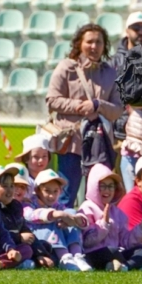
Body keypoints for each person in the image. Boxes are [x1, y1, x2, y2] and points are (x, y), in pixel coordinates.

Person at [46, 23, 123, 208]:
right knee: (66, 194)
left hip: (100, 145)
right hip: (70, 144)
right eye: (89, 42)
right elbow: (52, 100)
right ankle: (62, 233)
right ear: (80, 43)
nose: (94, 46)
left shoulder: (110, 73)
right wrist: (80, 107)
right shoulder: (66, 68)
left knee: (99, 195)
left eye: (99, 42)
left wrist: (98, 105)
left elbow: (118, 109)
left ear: (104, 46)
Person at [78, 163, 142, 272]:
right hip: (94, 253)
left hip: (117, 252)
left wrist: (141, 227)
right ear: (93, 187)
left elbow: (125, 242)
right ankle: (124, 264)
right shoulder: (87, 208)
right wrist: (104, 223)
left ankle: (125, 266)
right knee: (112, 251)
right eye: (102, 186)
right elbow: (87, 242)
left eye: (110, 186)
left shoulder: (117, 212)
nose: (107, 190)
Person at [24, 169, 89, 271]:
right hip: (39, 241)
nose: (52, 196)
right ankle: (64, 258)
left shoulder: (57, 205)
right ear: (37, 190)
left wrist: (77, 220)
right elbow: (29, 215)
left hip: (56, 239)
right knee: (54, 219)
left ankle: (77, 255)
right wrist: (55, 214)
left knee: (71, 212)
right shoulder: (30, 203)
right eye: (47, 191)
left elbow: (68, 214)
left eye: (55, 191)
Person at [0, 164, 48, 268]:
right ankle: (1, 263)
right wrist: (19, 238)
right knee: (27, 250)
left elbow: (24, 229)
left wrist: (41, 254)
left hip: (13, 247)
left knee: (44, 246)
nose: (11, 190)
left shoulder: (15, 206)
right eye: (5, 186)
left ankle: (24, 260)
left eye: (12, 185)